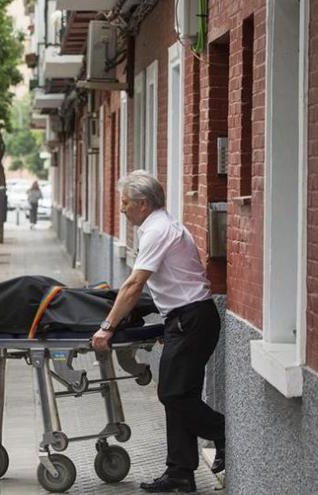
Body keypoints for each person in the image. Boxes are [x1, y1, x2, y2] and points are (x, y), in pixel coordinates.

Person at [91, 170, 225, 493]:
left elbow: (135, 284)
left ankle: (222, 431)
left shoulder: (158, 231)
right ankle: (180, 472)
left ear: (143, 203)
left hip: (192, 320)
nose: (121, 209)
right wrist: (166, 320)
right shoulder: (158, 227)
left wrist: (107, 327)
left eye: (125, 202)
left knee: (172, 394)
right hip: (184, 319)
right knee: (181, 395)